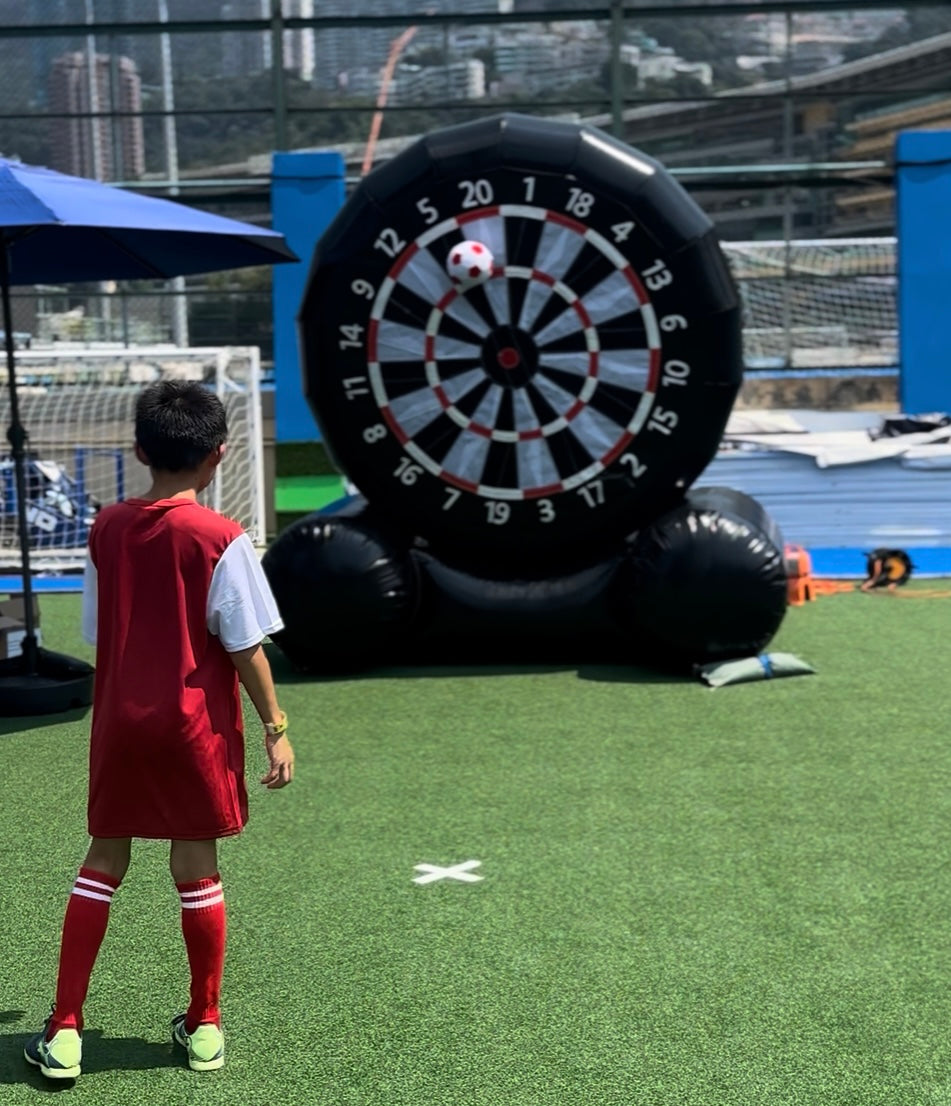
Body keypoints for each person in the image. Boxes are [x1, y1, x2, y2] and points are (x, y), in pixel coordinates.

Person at [24, 379, 295, 1080]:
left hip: (119, 725)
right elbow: (245, 646)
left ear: (140, 451)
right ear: (220, 455)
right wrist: (276, 725)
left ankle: (62, 1032)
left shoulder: (105, 527)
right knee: (195, 870)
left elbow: (91, 628)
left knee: (102, 864)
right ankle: (204, 1025)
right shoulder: (222, 538)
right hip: (192, 729)